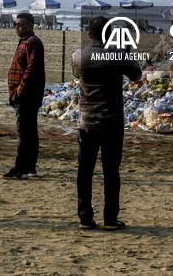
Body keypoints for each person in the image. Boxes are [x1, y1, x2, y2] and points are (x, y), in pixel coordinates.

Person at [71, 15, 142, 230]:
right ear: (110, 34)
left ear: (90, 34)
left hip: (87, 121)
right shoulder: (117, 55)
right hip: (111, 122)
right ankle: (110, 218)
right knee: (111, 172)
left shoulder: (78, 56)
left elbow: (77, 75)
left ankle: (85, 216)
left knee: (85, 171)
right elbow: (136, 75)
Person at [3, 12, 45, 179]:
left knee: (24, 132)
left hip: (27, 95)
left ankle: (21, 167)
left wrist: (21, 88)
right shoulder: (24, 42)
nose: (16, 27)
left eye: (19, 24)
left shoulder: (33, 42)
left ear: (29, 26)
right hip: (21, 94)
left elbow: (31, 68)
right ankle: (29, 167)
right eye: (15, 24)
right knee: (29, 132)